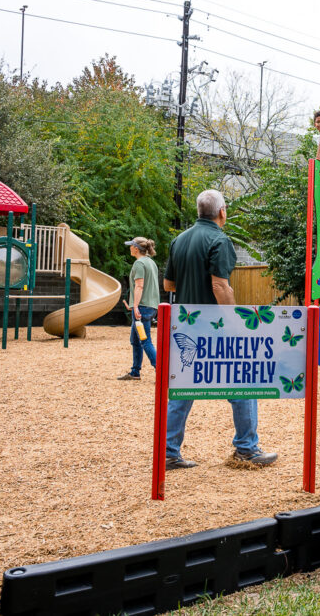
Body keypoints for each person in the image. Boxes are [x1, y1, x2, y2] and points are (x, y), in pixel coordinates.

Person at [162, 189, 278, 470]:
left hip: (186, 324)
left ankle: (168, 452)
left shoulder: (179, 240)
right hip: (214, 325)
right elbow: (219, 286)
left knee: (181, 390)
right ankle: (247, 449)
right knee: (244, 384)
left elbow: (169, 286)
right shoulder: (219, 240)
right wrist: (234, 321)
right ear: (222, 212)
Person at [118, 237, 159, 381]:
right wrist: (133, 304)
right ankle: (135, 372)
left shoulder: (139, 263)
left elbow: (140, 286)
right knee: (135, 340)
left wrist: (135, 305)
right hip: (151, 306)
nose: (129, 248)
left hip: (142, 307)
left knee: (145, 340)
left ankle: (161, 371)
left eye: (131, 246)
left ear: (136, 248)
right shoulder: (151, 263)